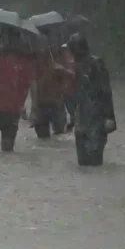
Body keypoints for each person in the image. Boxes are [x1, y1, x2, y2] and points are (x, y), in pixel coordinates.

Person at [0, 28, 38, 152]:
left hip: (5, 109)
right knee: (5, 151)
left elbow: (33, 85)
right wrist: (34, 110)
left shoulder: (25, 61)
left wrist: (33, 110)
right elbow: (33, 86)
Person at [67, 33, 116, 166]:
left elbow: (105, 91)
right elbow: (70, 95)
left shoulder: (96, 64)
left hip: (97, 120)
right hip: (81, 120)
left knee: (94, 160)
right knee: (83, 163)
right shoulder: (73, 68)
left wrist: (109, 117)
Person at [30, 31, 75, 139]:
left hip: (53, 104)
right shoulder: (37, 64)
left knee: (54, 137)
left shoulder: (55, 63)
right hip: (45, 105)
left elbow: (71, 77)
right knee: (50, 138)